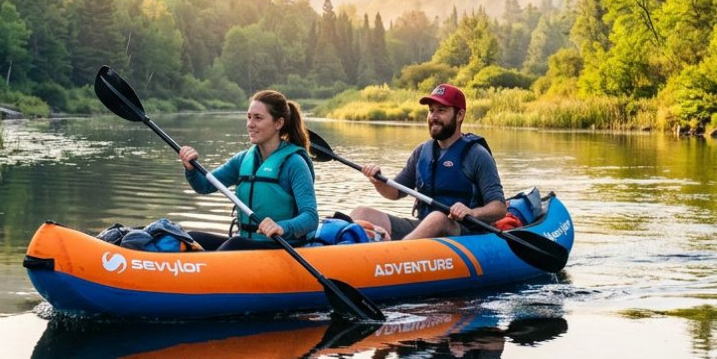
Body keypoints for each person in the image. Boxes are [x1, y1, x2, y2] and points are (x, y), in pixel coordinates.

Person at [349, 83, 506, 240]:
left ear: (459, 115)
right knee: (362, 213)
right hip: (424, 226)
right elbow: (395, 192)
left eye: (441, 110)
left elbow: (499, 208)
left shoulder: (477, 155)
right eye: (431, 111)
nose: (433, 116)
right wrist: (378, 182)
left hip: (463, 233)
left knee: (438, 218)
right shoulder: (422, 152)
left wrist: (472, 212)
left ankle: (397, 251)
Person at [178, 90, 318, 251]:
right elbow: (204, 185)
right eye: (249, 117)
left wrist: (282, 227)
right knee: (190, 238)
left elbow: (311, 217)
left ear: (278, 123)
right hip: (247, 243)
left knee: (235, 244)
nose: (250, 124)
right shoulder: (242, 160)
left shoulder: (294, 163)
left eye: (258, 118)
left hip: (282, 247)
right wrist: (191, 168)